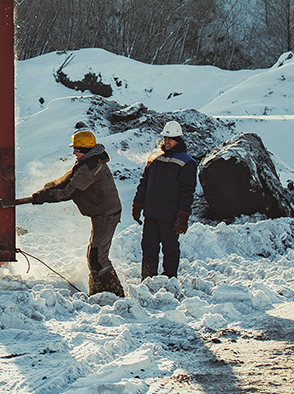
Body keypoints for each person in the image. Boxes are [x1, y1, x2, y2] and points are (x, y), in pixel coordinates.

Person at [30, 131, 125, 297]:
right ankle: (98, 292)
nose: (73, 152)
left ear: (84, 149)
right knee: (94, 255)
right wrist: (48, 188)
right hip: (102, 213)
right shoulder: (88, 162)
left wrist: (46, 196)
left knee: (97, 257)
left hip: (106, 215)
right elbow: (67, 179)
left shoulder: (90, 167)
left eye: (76, 149)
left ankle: (114, 293)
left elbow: (68, 191)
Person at [131, 120, 197, 280]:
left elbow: (187, 191)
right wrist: (138, 204)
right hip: (152, 213)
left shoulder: (187, 162)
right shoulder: (154, 158)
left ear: (178, 139)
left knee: (170, 249)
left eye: (171, 139)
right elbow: (144, 183)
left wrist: (183, 216)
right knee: (148, 247)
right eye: (165, 138)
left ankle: (169, 280)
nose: (167, 142)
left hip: (170, 215)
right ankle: (148, 279)